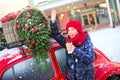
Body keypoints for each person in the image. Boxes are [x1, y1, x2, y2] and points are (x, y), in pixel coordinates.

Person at [50, 9, 95, 80]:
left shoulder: (86, 41)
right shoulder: (68, 42)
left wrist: (74, 50)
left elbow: (89, 59)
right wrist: (53, 21)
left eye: (73, 29)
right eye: (68, 30)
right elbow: (56, 35)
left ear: (78, 30)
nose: (70, 32)